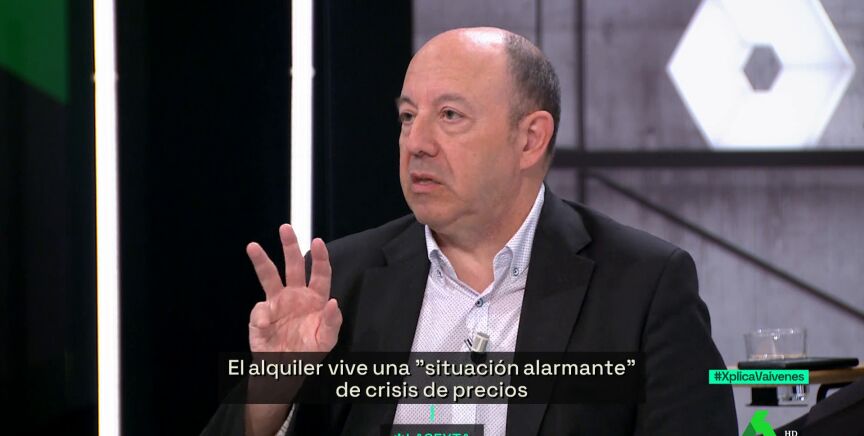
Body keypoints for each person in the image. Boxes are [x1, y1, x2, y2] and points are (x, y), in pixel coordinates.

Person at [203, 27, 737, 435]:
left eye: (450, 115)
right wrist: (273, 387)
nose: (416, 143)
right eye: (407, 117)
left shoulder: (643, 286)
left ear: (530, 139)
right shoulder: (340, 284)